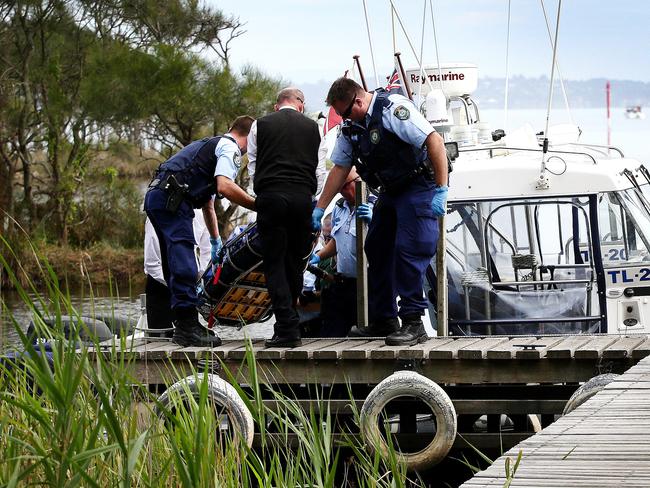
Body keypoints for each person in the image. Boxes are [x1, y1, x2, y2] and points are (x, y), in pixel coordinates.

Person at [312, 77, 449, 346]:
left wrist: (441, 189)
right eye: (340, 114)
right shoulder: (352, 128)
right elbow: (340, 168)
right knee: (376, 246)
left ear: (359, 101)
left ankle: (413, 322)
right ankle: (384, 319)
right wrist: (319, 208)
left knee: (409, 250)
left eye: (345, 112)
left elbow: (434, 141)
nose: (343, 118)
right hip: (390, 191)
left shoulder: (393, 110)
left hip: (417, 186)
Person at [144, 115, 256, 347]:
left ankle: (184, 323)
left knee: (172, 262)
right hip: (173, 201)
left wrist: (215, 240)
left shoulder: (212, 146)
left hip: (158, 197)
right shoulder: (230, 148)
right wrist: (258, 205)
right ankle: (187, 326)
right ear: (251, 137)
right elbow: (226, 185)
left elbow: (208, 204)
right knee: (185, 262)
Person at [248, 87, 322, 348]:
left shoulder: (261, 125)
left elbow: (253, 166)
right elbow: (319, 169)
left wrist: (256, 199)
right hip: (303, 199)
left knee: (274, 264)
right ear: (300, 104)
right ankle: (289, 326)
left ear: (277, 104)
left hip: (272, 198)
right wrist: (316, 206)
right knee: (295, 263)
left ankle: (286, 327)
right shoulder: (313, 128)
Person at [309, 168, 375, 337]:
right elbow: (338, 241)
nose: (344, 192)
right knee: (331, 334)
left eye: (348, 185)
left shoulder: (376, 204)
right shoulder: (339, 208)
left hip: (369, 284)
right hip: (343, 282)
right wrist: (318, 256)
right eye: (340, 188)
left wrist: (375, 222)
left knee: (367, 335)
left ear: (360, 179)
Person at [143, 210, 210, 337]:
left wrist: (201, 277)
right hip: (160, 285)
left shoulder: (201, 213)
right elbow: (152, 264)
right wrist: (177, 284)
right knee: (161, 340)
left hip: (189, 284)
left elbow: (208, 250)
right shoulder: (157, 213)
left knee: (190, 336)